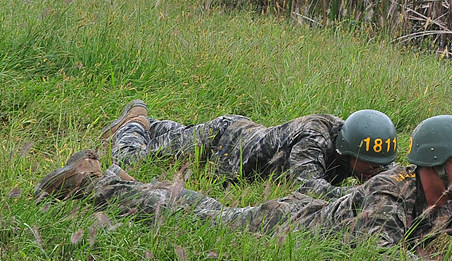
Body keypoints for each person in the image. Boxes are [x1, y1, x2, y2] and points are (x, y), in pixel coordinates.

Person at [36, 115, 452, 261]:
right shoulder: (387, 196)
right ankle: (95, 182)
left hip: (312, 214)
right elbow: (382, 259)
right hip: (289, 224)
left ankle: (116, 179)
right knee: (198, 216)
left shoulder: (448, 198)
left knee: (201, 211)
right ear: (432, 165)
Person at [100, 100, 397, 198]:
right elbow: (310, 189)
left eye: (378, 165)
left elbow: (392, 175)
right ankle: (133, 123)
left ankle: (150, 121)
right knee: (134, 158)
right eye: (369, 165)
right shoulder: (314, 138)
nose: (374, 171)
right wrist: (367, 192)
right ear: (347, 151)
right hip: (224, 145)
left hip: (241, 134)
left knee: (175, 137)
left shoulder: (360, 142)